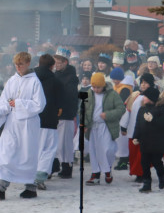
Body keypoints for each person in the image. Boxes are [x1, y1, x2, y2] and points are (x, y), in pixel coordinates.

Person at [0, 52, 45, 200]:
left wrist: (18, 103)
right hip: (12, 123)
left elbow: (40, 105)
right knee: (5, 152)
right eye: (16, 64)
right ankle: (0, 187)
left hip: (27, 125)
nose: (18, 67)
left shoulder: (35, 82)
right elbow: (5, 101)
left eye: (21, 64)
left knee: (26, 155)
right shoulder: (12, 80)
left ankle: (31, 188)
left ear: (28, 64)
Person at [84, 72, 123, 185]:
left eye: (98, 87)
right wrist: (85, 124)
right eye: (94, 87)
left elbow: (121, 108)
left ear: (103, 85)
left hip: (106, 126)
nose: (96, 89)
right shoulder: (88, 94)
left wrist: (108, 115)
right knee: (94, 150)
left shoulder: (112, 94)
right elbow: (82, 109)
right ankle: (95, 174)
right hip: (93, 127)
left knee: (107, 149)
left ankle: (107, 169)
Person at [132, 86, 164, 193]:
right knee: (144, 162)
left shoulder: (162, 110)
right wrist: (136, 136)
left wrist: (153, 120)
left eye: (145, 96)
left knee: (156, 161)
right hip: (145, 140)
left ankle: (162, 175)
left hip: (158, 141)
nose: (143, 98)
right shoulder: (142, 109)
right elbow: (138, 125)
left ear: (151, 98)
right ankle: (146, 182)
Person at [33, 54, 61, 190]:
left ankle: (29, 176)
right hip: (50, 120)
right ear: (52, 66)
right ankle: (40, 177)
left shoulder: (31, 77)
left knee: (34, 148)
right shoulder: (56, 80)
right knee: (48, 150)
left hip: (33, 119)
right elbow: (60, 101)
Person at [53, 49, 79, 179]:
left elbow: (70, 96)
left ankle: (67, 166)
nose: (57, 65)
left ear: (65, 62)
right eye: (55, 62)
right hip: (57, 114)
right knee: (57, 142)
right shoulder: (56, 75)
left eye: (59, 62)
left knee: (66, 142)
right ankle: (58, 164)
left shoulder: (71, 77)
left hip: (67, 113)